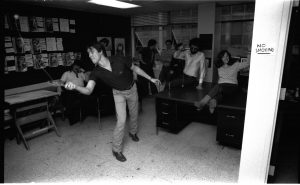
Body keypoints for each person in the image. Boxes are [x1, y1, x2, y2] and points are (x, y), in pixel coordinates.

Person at [64, 41, 161, 162]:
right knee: (121, 120)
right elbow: (88, 90)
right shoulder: (96, 72)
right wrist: (75, 87)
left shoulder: (119, 59)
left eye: (92, 52)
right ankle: (116, 149)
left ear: (100, 52)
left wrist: (151, 78)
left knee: (134, 114)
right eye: (88, 54)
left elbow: (135, 68)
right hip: (118, 93)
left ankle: (133, 132)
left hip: (132, 89)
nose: (90, 56)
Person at [60, 60, 87, 125]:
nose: (77, 67)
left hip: (81, 91)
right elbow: (61, 83)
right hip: (71, 92)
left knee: (88, 97)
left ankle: (83, 115)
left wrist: (84, 72)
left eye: (78, 66)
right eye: (75, 66)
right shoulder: (67, 73)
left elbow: (87, 80)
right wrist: (67, 87)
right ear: (72, 66)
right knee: (70, 99)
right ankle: (72, 118)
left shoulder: (81, 73)